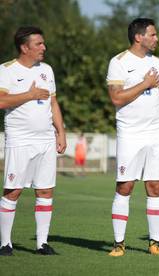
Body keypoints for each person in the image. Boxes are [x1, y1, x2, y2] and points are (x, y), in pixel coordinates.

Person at [106, 18, 159, 257]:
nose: (157, 39)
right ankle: (119, 244)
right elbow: (116, 98)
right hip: (130, 134)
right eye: (153, 35)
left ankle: (154, 244)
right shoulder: (118, 63)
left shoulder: (158, 63)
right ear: (139, 37)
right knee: (125, 186)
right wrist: (145, 83)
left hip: (155, 133)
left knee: (155, 186)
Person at [0, 26, 66, 256]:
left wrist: (61, 132)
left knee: (45, 191)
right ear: (24, 47)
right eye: (38, 44)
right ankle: (5, 243)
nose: (43, 48)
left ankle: (41, 243)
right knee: (13, 191)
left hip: (46, 140)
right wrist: (30, 94)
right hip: (20, 140)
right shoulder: (6, 70)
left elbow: (53, 103)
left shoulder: (47, 70)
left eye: (43, 43)